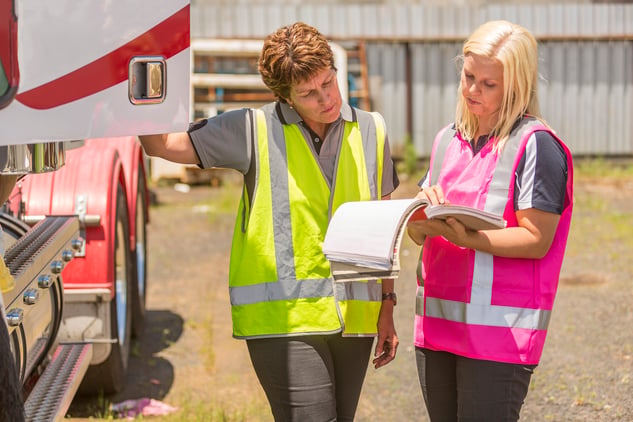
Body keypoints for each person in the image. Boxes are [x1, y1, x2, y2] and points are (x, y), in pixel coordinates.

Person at [139, 22, 400, 421]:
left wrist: (387, 304)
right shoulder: (251, 129)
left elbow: (384, 232)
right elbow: (162, 145)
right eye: (308, 94)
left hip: (354, 318)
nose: (326, 98)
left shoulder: (372, 130)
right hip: (283, 320)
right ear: (285, 98)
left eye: (329, 82)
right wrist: (143, 78)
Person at [407, 20, 573, 421]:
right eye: (468, 77)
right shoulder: (446, 140)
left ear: (516, 84)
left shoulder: (538, 146)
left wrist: (468, 239)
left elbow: (536, 239)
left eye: (488, 84)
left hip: (500, 337)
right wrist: (417, 214)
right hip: (435, 329)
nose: (471, 90)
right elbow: (415, 233)